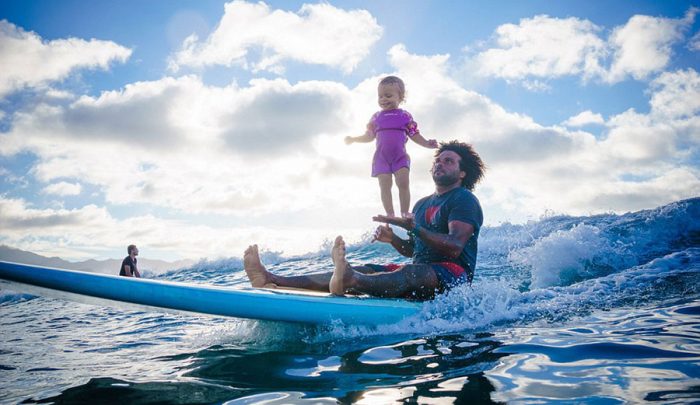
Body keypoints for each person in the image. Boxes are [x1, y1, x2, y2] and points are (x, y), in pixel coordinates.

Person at [244, 140, 484, 299]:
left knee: (413, 272)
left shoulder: (464, 199)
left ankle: (352, 281)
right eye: (438, 160)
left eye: (448, 161)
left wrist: (416, 229)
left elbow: (453, 247)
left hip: (453, 277)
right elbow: (414, 250)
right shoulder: (422, 204)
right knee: (365, 268)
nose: (440, 164)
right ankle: (273, 279)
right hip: (423, 272)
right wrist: (393, 240)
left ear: (462, 173)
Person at [345, 75, 438, 218]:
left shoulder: (405, 116)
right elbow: (369, 136)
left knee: (403, 183)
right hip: (381, 158)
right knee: (384, 185)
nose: (383, 99)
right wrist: (354, 139)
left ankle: (405, 212)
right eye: (380, 96)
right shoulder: (376, 117)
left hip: (400, 157)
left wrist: (426, 143)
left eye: (388, 95)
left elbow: (414, 134)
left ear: (400, 97)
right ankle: (390, 214)